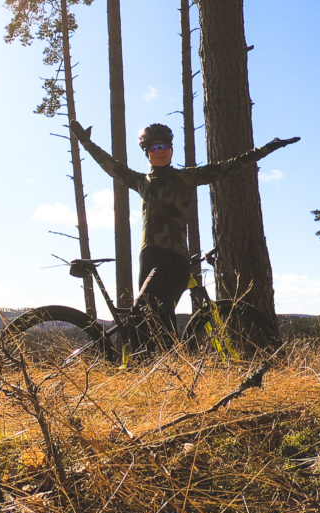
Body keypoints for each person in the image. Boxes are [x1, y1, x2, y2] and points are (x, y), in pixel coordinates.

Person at [69, 119, 299, 356]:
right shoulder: (141, 182)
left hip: (173, 258)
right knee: (155, 323)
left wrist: (267, 148)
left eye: (165, 146)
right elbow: (110, 165)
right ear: (147, 152)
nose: (160, 151)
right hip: (148, 258)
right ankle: (161, 368)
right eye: (155, 147)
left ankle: (153, 367)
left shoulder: (185, 177)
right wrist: (86, 143)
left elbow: (227, 167)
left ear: (171, 149)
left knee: (142, 311)